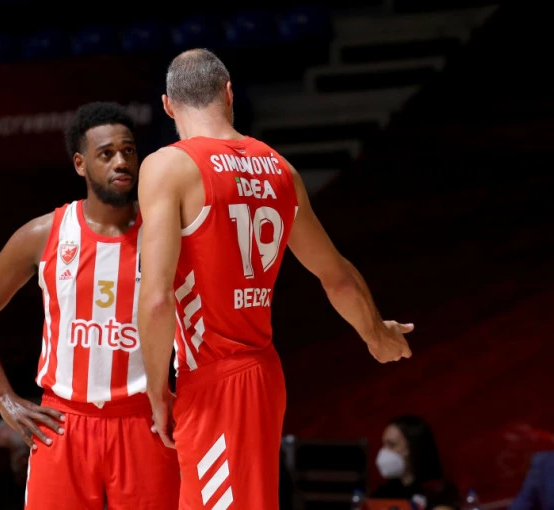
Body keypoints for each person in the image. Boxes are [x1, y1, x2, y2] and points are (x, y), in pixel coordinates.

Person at [136, 48, 413, 509]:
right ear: (229, 94)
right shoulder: (280, 169)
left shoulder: (169, 166)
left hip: (215, 379)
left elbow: (157, 298)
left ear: (167, 105)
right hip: (263, 373)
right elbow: (337, 275)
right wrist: (375, 332)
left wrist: (156, 392)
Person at [0, 101, 180, 510]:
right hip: (64, 423)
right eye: (106, 153)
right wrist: (3, 398)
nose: (121, 162)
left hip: (144, 419)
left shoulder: (164, 233)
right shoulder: (45, 233)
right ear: (81, 164)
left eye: (128, 151)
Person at [372, 415, 460, 510]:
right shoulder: (384, 492)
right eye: (384, 444)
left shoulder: (438, 491)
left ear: (414, 447)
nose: (384, 451)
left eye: (392, 445)